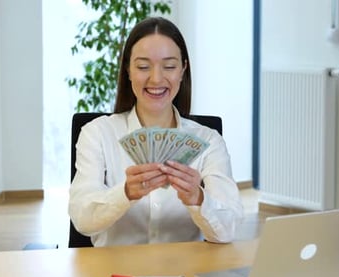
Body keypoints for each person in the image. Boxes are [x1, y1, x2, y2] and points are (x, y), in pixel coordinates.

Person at [68, 17, 243, 247]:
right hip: (114, 272)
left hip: (183, 272)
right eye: (143, 67)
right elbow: (82, 219)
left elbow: (228, 230)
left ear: (183, 70)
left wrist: (198, 199)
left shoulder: (209, 141)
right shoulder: (97, 134)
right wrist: (125, 194)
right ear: (128, 70)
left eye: (169, 66)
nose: (157, 78)